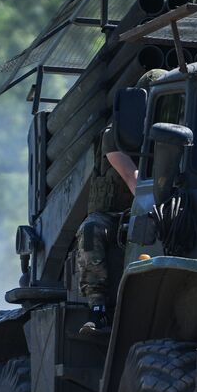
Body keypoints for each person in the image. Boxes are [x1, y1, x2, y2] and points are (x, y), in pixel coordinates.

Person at [76, 68, 165, 335]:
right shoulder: (113, 135)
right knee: (91, 231)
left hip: (160, 208)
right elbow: (133, 179)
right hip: (117, 214)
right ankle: (97, 308)